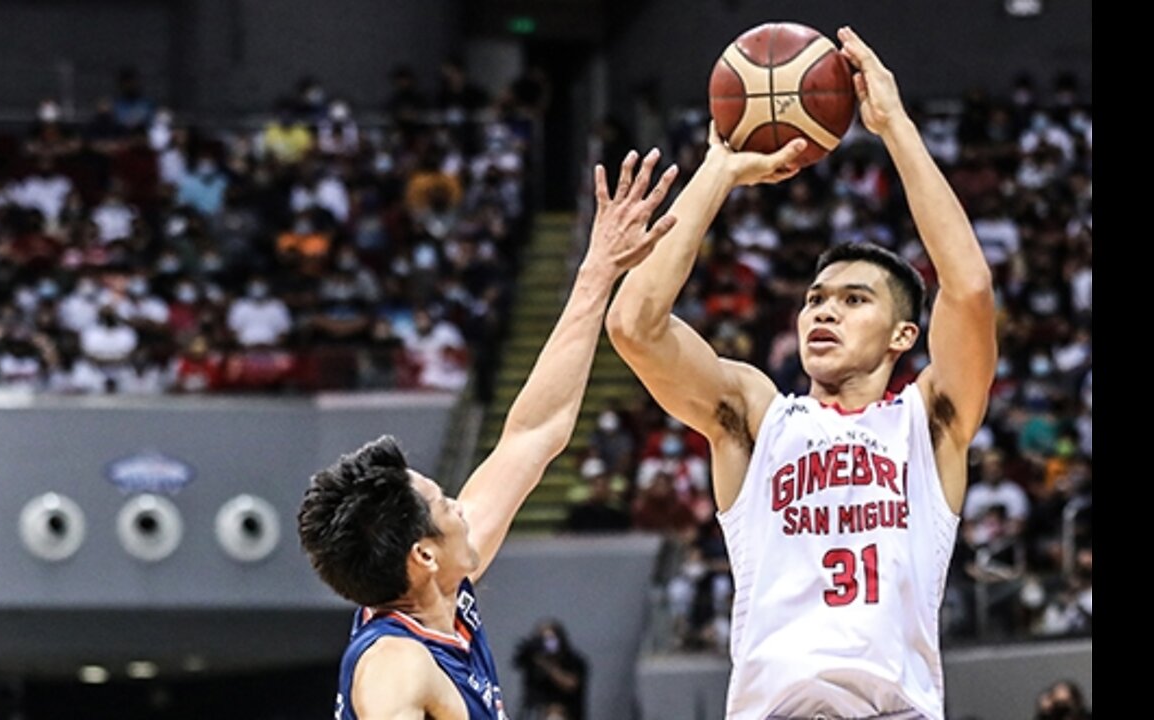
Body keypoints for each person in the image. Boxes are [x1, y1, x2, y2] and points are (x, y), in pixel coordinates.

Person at [606, 27, 996, 719]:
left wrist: (895, 128)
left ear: (904, 335)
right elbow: (634, 326)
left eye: (853, 301)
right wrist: (719, 170)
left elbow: (967, 291)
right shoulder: (759, 417)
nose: (823, 312)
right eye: (816, 299)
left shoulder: (927, 421)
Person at [298, 149, 679, 720]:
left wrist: (597, 273)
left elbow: (534, 433)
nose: (458, 505)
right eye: (444, 502)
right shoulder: (395, 662)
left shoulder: (444, 593)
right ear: (423, 554)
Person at [512, 620, 588, 720]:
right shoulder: (534, 663)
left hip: (568, 713)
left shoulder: (573, 661)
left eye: (550, 640)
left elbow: (571, 684)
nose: (546, 644)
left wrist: (546, 665)